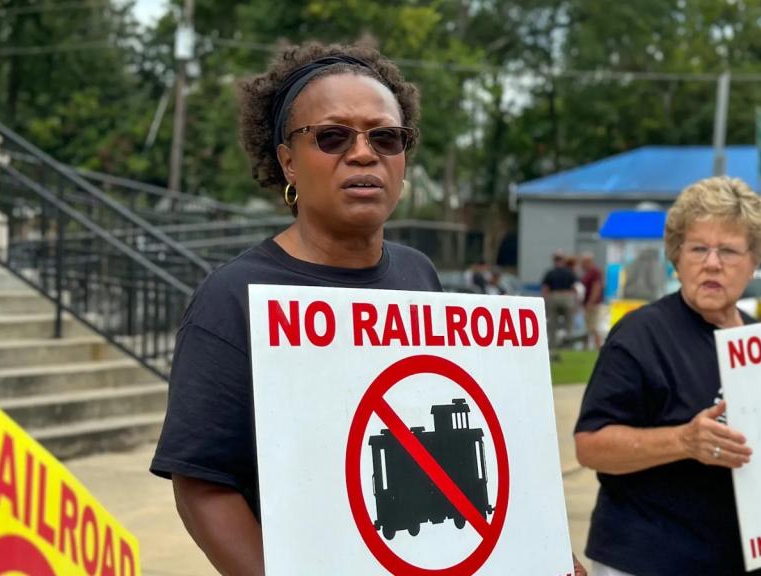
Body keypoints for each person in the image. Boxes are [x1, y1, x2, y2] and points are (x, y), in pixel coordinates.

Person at [149, 41, 586, 576]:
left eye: (386, 137)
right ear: (287, 159)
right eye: (332, 137)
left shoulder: (417, 274)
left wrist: (531, 545)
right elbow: (201, 485)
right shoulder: (233, 297)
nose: (363, 153)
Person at [573, 177, 761, 576]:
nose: (712, 262)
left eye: (730, 251)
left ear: (754, 263)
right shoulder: (640, 335)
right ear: (677, 258)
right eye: (698, 248)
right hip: (650, 561)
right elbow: (590, 445)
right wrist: (683, 441)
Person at [541, 251, 579, 355]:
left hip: (554, 296)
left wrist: (544, 301)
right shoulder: (569, 272)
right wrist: (576, 303)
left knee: (552, 323)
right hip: (567, 296)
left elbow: (546, 288)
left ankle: (552, 346)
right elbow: (575, 288)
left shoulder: (550, 272)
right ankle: (568, 345)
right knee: (569, 323)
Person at [579, 252, 604, 349]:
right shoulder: (588, 273)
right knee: (589, 327)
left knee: (593, 326)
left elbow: (596, 287)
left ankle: (598, 346)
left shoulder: (595, 272)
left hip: (593, 304)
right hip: (588, 303)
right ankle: (587, 347)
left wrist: (591, 301)